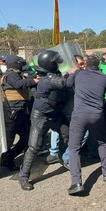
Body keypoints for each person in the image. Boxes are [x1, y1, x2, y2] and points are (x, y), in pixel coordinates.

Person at [18, 50, 71, 191]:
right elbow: (66, 83)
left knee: (67, 135)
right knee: (34, 146)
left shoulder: (53, 76)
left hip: (55, 114)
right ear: (50, 64)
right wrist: (78, 72)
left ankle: (61, 158)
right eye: (56, 61)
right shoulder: (48, 79)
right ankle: (23, 176)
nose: (59, 63)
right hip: (41, 115)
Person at [65, 56, 106, 195]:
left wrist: (73, 72)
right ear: (98, 65)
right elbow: (105, 90)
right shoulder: (103, 77)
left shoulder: (79, 73)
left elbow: (68, 84)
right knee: (102, 142)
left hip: (80, 114)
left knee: (74, 148)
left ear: (85, 64)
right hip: (97, 114)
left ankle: (77, 183)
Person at [0, 55, 38, 175]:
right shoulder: (11, 74)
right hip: (12, 113)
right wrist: (34, 81)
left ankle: (9, 159)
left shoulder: (17, 73)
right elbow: (19, 84)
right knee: (7, 143)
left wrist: (32, 78)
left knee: (26, 139)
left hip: (21, 112)